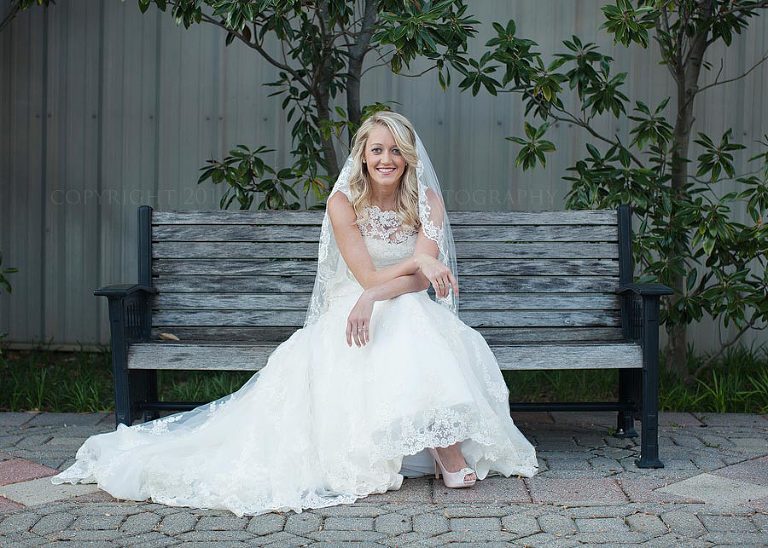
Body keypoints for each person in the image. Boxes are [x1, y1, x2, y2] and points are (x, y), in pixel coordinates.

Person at [51, 111, 538, 517]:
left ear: (408, 157)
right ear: (362, 157)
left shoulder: (426, 201)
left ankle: (442, 445)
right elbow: (370, 279)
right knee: (404, 317)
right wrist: (403, 269)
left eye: (395, 151)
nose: (386, 160)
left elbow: (422, 282)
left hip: (404, 305)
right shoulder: (343, 202)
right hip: (355, 312)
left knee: (410, 313)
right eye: (376, 150)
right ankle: (446, 452)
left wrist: (403, 277)